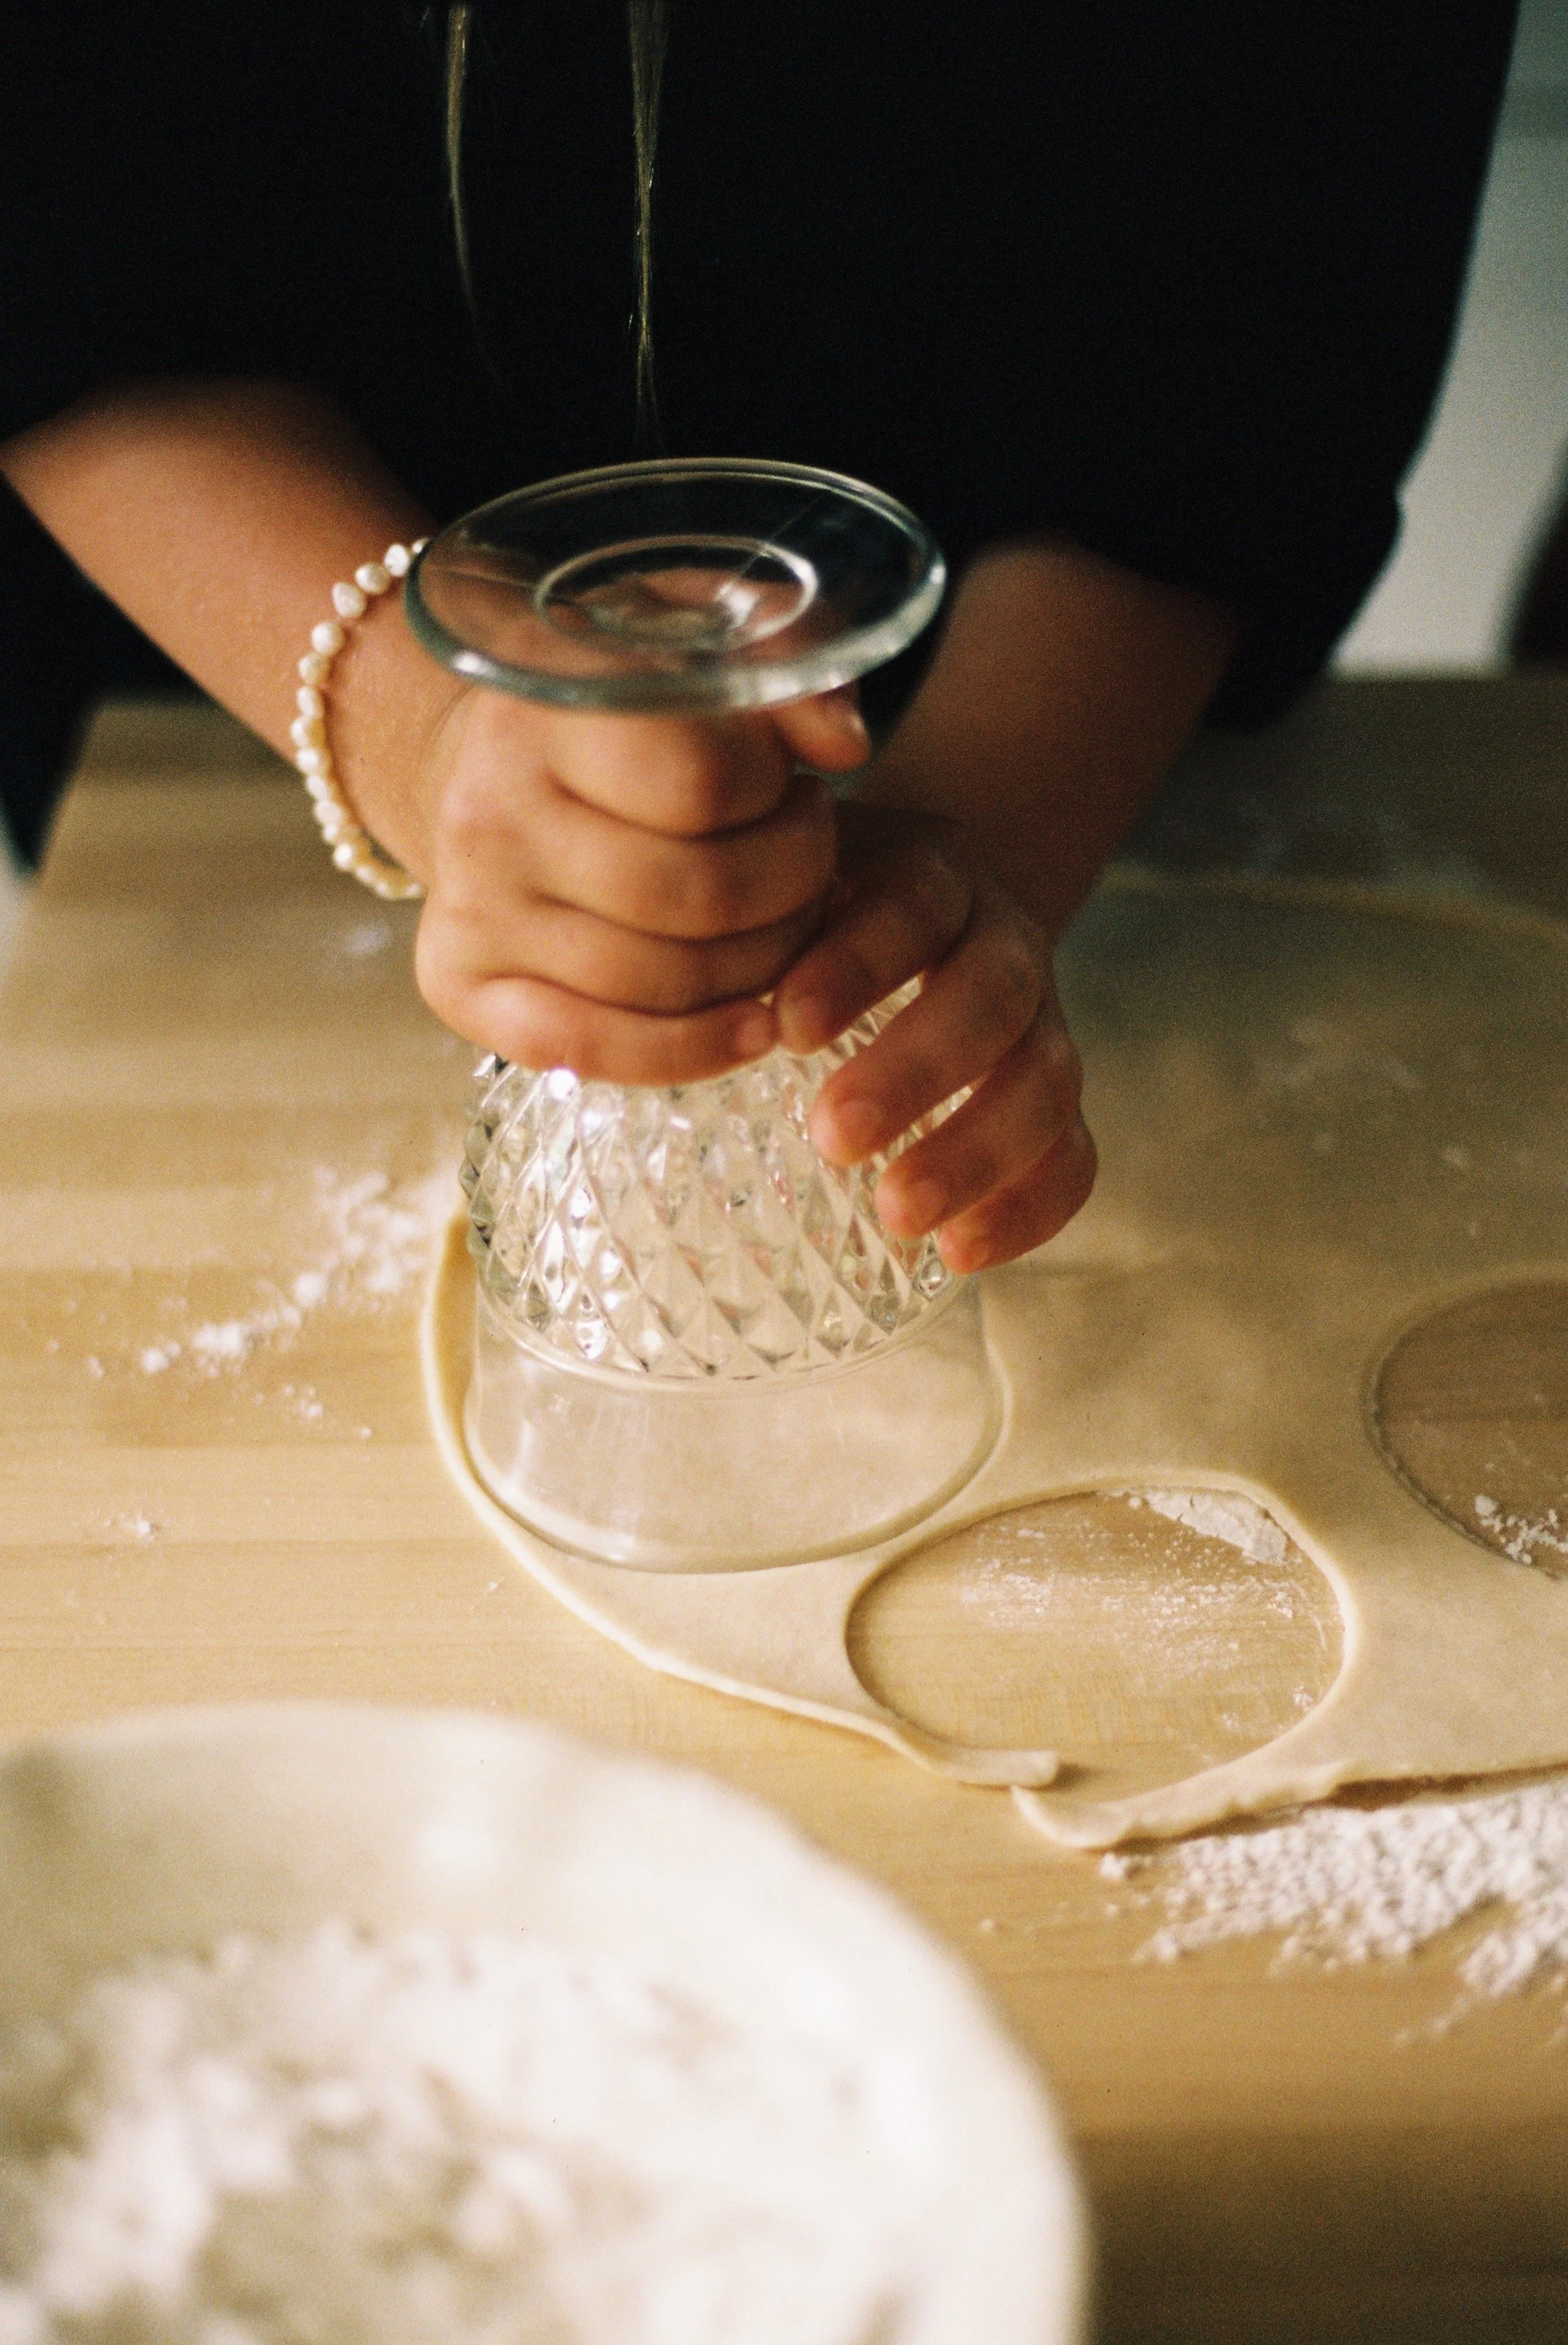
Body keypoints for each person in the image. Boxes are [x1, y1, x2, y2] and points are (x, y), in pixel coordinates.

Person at [0, 3, 1518, 1273]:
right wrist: (414, 724)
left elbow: (1262, 293)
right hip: (204, 709)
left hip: (1030, 683)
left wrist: (960, 862)